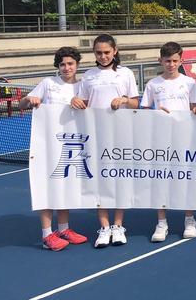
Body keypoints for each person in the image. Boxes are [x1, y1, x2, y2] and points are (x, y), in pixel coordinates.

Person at [70, 34, 140, 248]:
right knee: (99, 182)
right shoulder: (88, 76)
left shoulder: (125, 74)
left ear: (115, 51)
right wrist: (75, 101)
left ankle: (118, 226)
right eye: (98, 53)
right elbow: (82, 103)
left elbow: (136, 103)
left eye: (106, 52)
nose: (102, 56)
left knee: (119, 180)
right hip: (96, 136)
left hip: (121, 135)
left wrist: (125, 100)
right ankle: (104, 227)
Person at [20, 46, 88, 251]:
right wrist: (30, 99)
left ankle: (64, 229)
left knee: (64, 187)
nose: (66, 68)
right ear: (57, 67)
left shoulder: (83, 86)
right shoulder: (48, 84)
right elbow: (23, 104)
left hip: (72, 144)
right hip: (47, 146)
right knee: (46, 187)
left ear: (77, 65)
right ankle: (47, 234)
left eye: (70, 64)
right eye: (62, 64)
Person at [140, 42, 196, 243]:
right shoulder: (153, 84)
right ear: (160, 61)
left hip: (185, 137)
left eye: (175, 61)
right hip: (161, 139)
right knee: (161, 179)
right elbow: (144, 111)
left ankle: (189, 219)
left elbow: (195, 109)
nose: (171, 64)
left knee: (186, 178)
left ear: (181, 60)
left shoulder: (190, 83)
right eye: (167, 61)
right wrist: (155, 113)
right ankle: (161, 222)